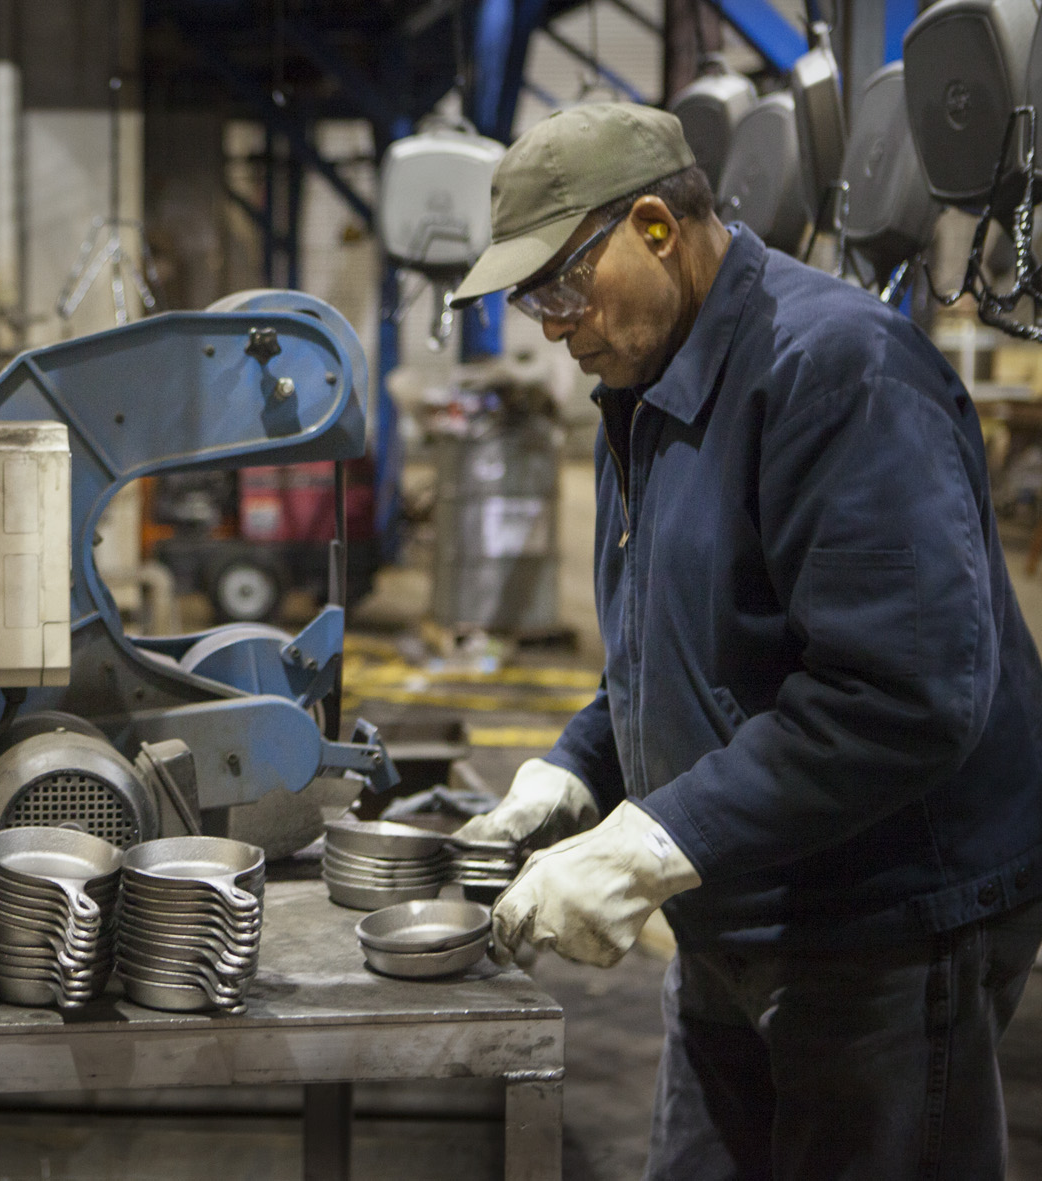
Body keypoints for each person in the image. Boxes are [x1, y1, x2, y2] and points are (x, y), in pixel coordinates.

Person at [446, 102, 1042, 1177]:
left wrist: (649, 844)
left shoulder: (835, 373)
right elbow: (677, 638)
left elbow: (903, 694)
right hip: (737, 907)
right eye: (529, 297)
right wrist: (573, 771)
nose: (548, 322)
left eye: (558, 285)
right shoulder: (644, 386)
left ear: (655, 228)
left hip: (879, 931)